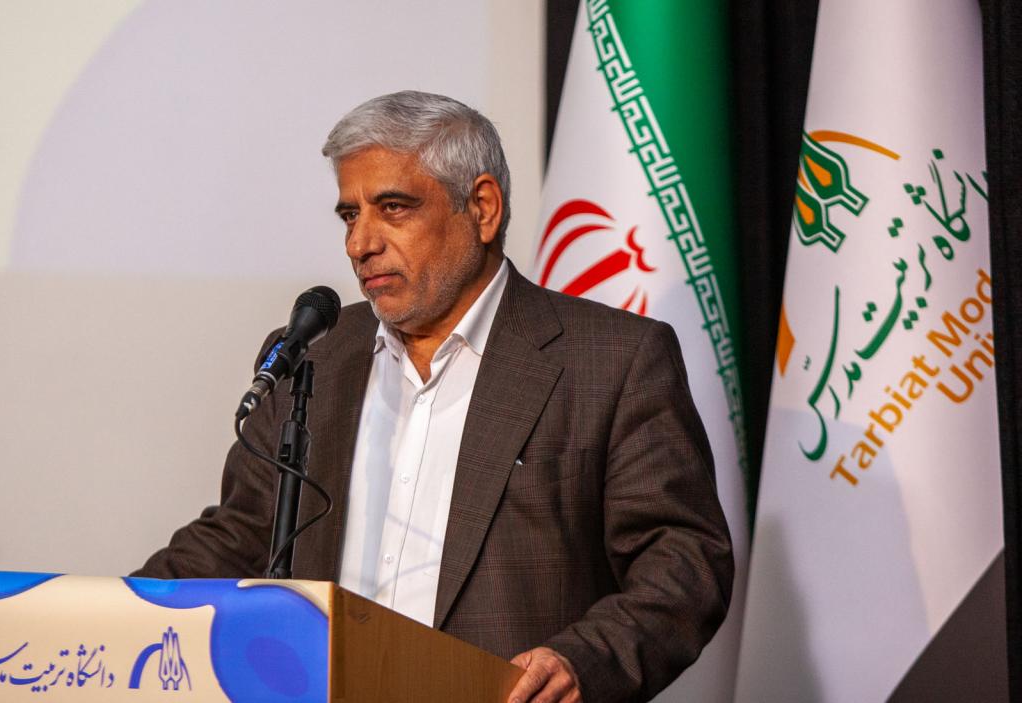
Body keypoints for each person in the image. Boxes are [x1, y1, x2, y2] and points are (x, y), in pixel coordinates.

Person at [134, 91, 733, 703]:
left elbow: (684, 561)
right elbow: (241, 535)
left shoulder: (611, 359)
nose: (360, 244)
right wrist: (111, 615)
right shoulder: (315, 357)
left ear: (482, 208)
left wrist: (584, 662)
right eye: (349, 215)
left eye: (392, 208)